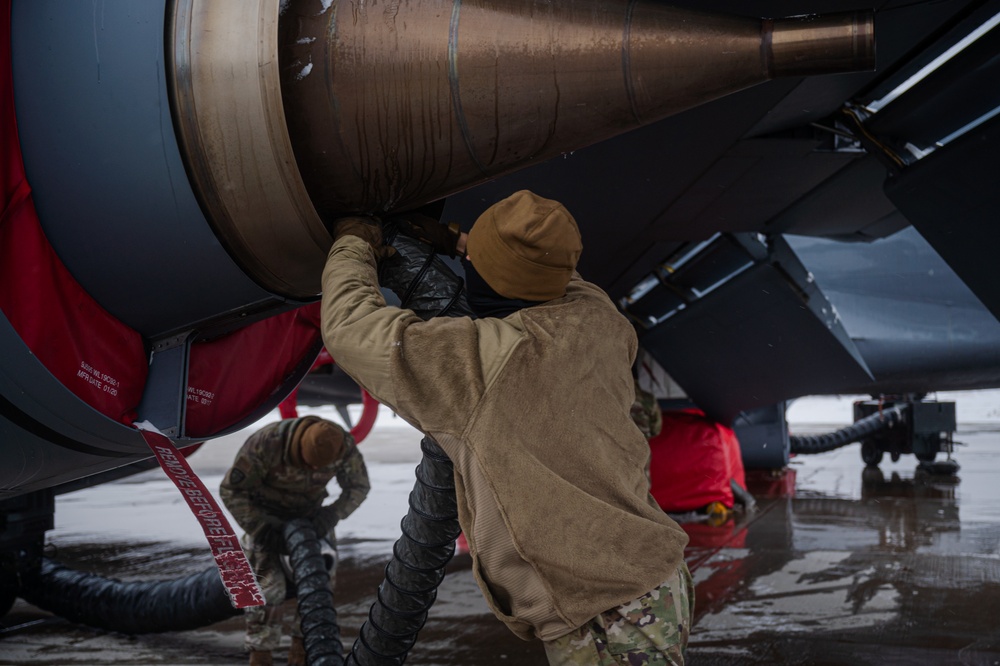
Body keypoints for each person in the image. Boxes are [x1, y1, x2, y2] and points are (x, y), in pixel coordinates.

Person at [320, 190, 693, 665]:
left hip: (607, 612)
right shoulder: (602, 320)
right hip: (655, 575)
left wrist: (354, 241)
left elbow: (351, 327)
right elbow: (557, 274)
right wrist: (458, 243)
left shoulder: (481, 362)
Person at [220, 416, 370, 666]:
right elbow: (232, 490)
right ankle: (261, 654)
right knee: (267, 588)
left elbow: (358, 486)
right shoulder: (266, 443)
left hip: (311, 519)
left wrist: (332, 515)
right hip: (266, 518)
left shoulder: (340, 445)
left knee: (318, 585)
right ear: (298, 449)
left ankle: (302, 650)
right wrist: (262, 529)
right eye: (308, 465)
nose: (313, 471)